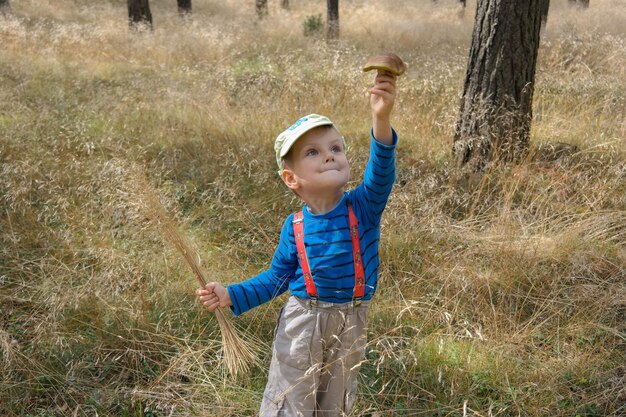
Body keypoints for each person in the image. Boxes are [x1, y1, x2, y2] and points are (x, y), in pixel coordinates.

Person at [197, 69, 398, 416]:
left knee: (335, 401)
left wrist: (381, 118)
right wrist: (231, 294)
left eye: (336, 148)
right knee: (292, 398)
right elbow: (276, 278)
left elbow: (381, 172)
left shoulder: (363, 208)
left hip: (351, 322)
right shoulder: (296, 227)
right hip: (302, 323)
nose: (330, 155)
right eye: (313, 152)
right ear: (292, 179)